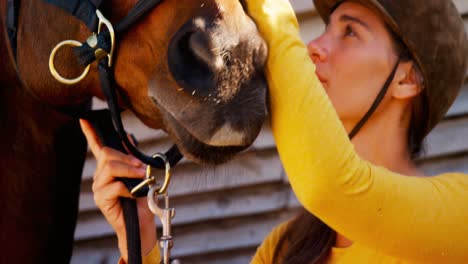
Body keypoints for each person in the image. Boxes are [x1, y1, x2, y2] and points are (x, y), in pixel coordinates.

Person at [79, 0, 468, 263]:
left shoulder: (460, 214)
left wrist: (269, 14)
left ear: (408, 79)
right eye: (326, 30)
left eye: (350, 33)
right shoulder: (284, 248)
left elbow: (331, 187)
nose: (314, 46)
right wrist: (142, 242)